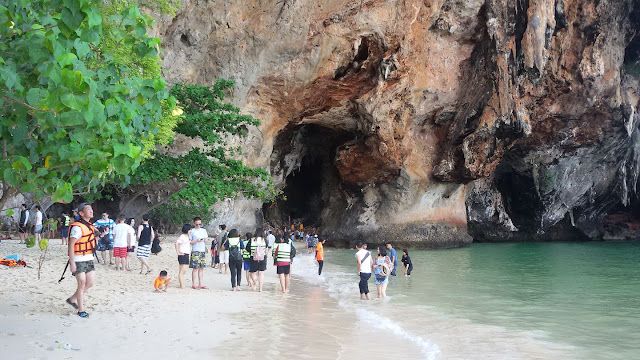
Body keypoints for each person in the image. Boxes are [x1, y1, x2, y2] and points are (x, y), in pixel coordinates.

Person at [66, 203, 104, 318]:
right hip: (78, 259)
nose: (91, 210)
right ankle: (81, 310)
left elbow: (89, 241)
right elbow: (71, 245)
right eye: (88, 209)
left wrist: (100, 236)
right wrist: (72, 263)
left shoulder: (90, 226)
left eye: (91, 208)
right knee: (81, 283)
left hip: (89, 258)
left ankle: (72, 299)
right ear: (81, 213)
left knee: (90, 283)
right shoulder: (77, 227)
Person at [189, 217, 208, 289]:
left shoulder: (203, 230)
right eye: (197, 224)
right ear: (194, 223)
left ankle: (201, 283)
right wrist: (196, 241)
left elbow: (206, 240)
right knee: (195, 268)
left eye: (200, 224)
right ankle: (194, 284)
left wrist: (205, 240)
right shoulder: (192, 231)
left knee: (201, 268)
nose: (198, 226)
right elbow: (190, 242)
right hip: (195, 250)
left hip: (202, 250)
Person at [248, 228, 267, 292]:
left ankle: (255, 283)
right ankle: (260, 289)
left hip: (253, 258)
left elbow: (247, 248)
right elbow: (267, 246)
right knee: (261, 274)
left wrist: (252, 251)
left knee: (252, 273)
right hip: (263, 258)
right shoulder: (264, 240)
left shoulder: (252, 240)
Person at [175, 224, 192, 289]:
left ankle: (183, 284)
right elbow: (176, 243)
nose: (190, 231)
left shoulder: (186, 237)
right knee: (182, 271)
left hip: (186, 254)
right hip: (182, 254)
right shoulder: (182, 237)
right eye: (190, 230)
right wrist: (178, 252)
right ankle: (182, 285)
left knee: (184, 270)